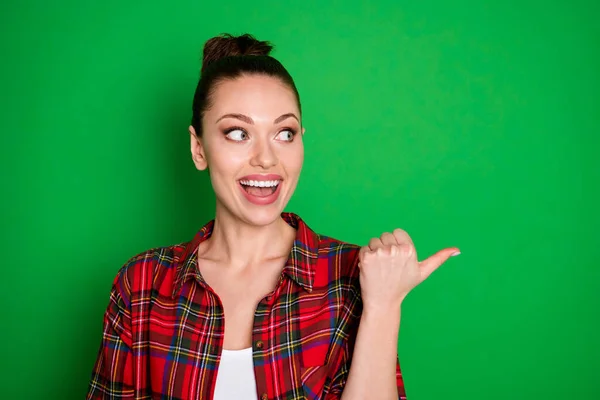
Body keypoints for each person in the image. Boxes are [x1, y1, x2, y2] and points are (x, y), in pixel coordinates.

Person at [86, 33, 460, 400]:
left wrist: (383, 305)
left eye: (284, 133)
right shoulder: (142, 287)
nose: (266, 158)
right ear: (198, 149)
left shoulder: (352, 278)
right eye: (237, 133)